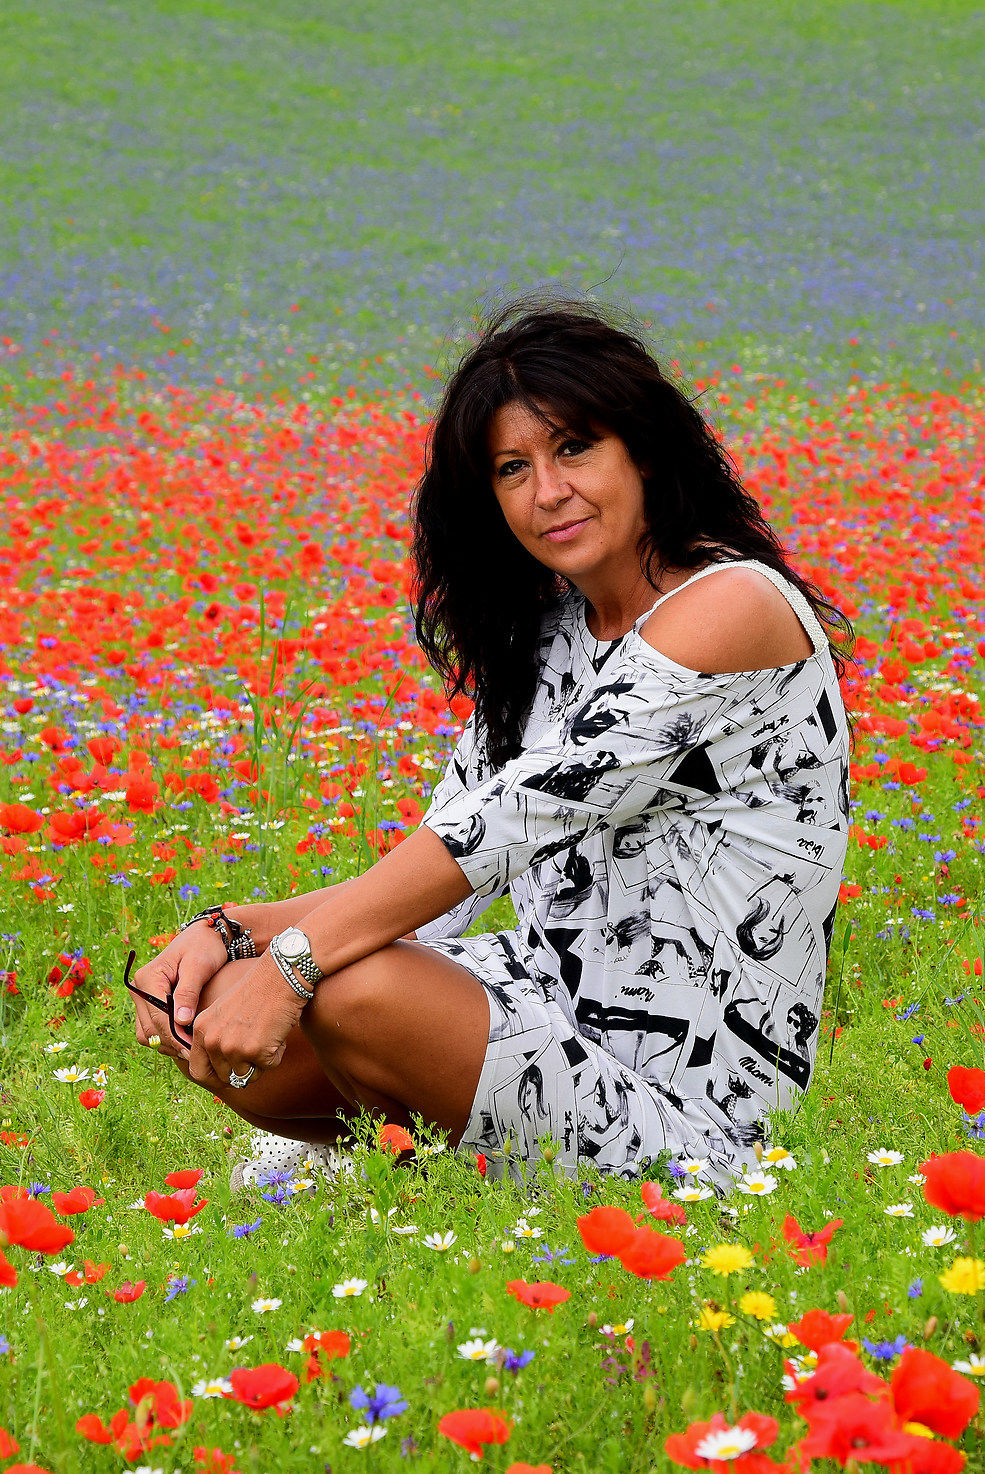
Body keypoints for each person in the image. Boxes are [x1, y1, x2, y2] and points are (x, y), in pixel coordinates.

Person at [128, 296, 854, 1186]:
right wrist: (228, 933)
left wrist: (286, 965)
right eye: (513, 468)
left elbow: (499, 830)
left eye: (574, 448)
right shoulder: (552, 636)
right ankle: (418, 1163)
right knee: (213, 995)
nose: (547, 492)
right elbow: (436, 891)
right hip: (550, 1008)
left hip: (696, 1113)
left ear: (645, 449)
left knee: (346, 986)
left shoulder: (730, 607)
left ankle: (435, 1163)